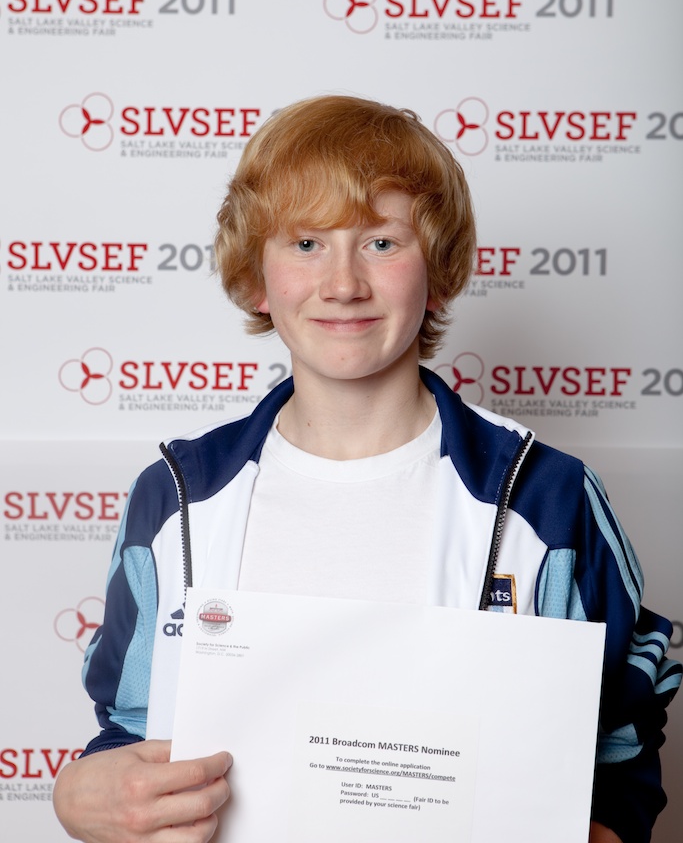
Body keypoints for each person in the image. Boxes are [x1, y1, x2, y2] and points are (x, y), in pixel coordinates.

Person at [54, 95, 680, 843]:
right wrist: (78, 796)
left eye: (382, 243)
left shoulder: (546, 498)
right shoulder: (176, 498)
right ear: (256, 279)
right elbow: (129, 737)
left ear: (438, 275)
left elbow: (622, 750)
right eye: (306, 243)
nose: (343, 284)